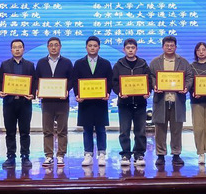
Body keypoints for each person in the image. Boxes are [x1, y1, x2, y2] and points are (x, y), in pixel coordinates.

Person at [149, 35, 194, 168]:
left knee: (176, 129)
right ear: (163, 47)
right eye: (167, 45)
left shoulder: (183, 62)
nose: (169, 47)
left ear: (175, 47)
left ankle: (176, 153)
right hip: (161, 100)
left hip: (177, 100)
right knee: (160, 129)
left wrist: (186, 87)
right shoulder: (155, 62)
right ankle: (160, 154)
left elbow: (189, 76)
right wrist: (154, 85)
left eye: (172, 45)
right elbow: (151, 76)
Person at [73, 36, 113, 167]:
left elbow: (110, 80)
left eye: (95, 46)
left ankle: (102, 154)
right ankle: (88, 154)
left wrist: (107, 93)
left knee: (101, 129)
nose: (92, 48)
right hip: (85, 102)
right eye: (90, 46)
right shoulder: (79, 63)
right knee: (87, 129)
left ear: (99, 48)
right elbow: (75, 81)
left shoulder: (105, 63)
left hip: (100, 101)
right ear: (86, 47)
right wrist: (77, 95)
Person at [111, 38, 151, 168]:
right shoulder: (119, 65)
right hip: (124, 104)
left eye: (133, 48)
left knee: (140, 131)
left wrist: (148, 91)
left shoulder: (143, 64)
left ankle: (139, 154)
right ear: (124, 49)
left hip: (140, 103)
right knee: (124, 131)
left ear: (136, 49)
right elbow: (114, 82)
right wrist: (119, 92)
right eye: (128, 48)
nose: (130, 50)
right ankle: (126, 154)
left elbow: (149, 81)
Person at [0, 39, 36, 168]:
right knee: (10, 131)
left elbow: (34, 82)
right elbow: (0, 81)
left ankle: (25, 156)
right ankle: (10, 156)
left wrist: (32, 94)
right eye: (15, 47)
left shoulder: (30, 65)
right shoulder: (5, 64)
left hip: (25, 103)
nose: (17, 49)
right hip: (9, 103)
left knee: (25, 131)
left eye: (19, 47)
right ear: (11, 50)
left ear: (23, 49)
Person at [34, 36, 73, 168]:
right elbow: (36, 79)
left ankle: (61, 155)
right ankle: (49, 155)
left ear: (60, 47)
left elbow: (71, 80)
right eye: (51, 45)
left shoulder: (67, 62)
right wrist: (38, 90)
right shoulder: (41, 62)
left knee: (62, 130)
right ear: (47, 47)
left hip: (62, 101)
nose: (54, 47)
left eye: (56, 45)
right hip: (47, 101)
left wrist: (66, 90)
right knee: (47, 130)